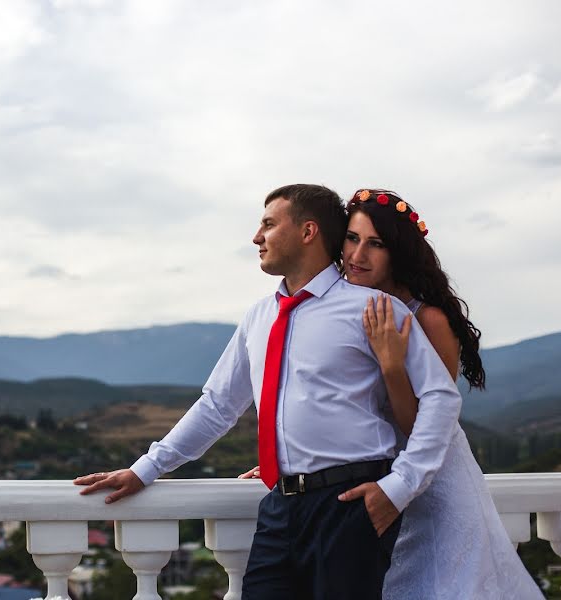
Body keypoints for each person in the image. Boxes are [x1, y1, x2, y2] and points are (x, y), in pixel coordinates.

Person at [74, 184, 463, 599]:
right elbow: (219, 405)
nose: (257, 237)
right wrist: (145, 469)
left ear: (308, 231)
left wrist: (400, 487)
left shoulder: (372, 308)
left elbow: (441, 398)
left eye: (268, 224)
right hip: (279, 508)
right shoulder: (259, 317)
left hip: (350, 506)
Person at [240, 188, 543, 599]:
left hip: (430, 476)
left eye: (375, 244)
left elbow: (421, 420)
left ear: (396, 252)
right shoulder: (358, 307)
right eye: (351, 238)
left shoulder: (425, 318)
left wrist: (392, 365)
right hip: (375, 474)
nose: (356, 255)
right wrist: (294, 455)